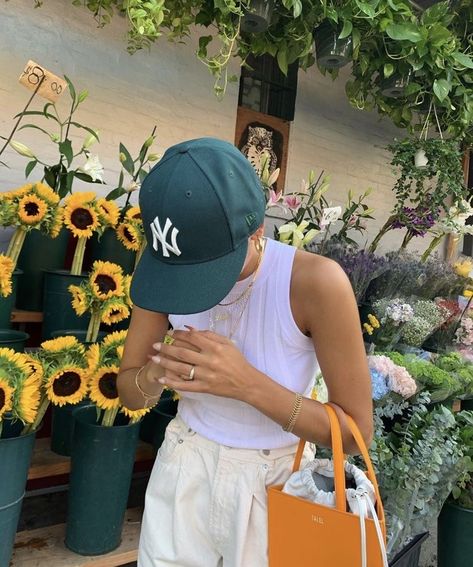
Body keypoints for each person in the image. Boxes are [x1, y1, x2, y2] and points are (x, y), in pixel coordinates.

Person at [117, 137, 373, 567]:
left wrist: (247, 385)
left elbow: (355, 432)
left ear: (257, 229)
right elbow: (128, 390)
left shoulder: (314, 283)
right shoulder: (166, 270)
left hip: (276, 484)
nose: (189, 288)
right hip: (184, 467)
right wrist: (156, 373)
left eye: (208, 268)